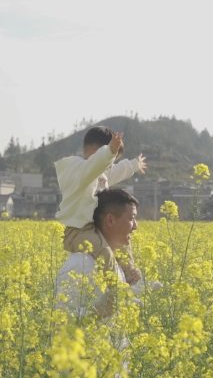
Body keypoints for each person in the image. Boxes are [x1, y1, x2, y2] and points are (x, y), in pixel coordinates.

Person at [54, 126, 146, 287]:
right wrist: (110, 150)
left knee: (123, 244)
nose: (110, 166)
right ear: (99, 152)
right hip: (79, 232)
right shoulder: (78, 170)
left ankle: (132, 278)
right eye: (111, 160)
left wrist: (133, 165)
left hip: (96, 228)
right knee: (105, 252)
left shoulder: (96, 172)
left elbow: (114, 172)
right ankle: (115, 290)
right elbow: (98, 164)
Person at [55, 188, 144, 318]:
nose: (135, 226)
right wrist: (99, 311)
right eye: (131, 218)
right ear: (110, 220)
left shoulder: (115, 264)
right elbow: (61, 319)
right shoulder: (80, 264)